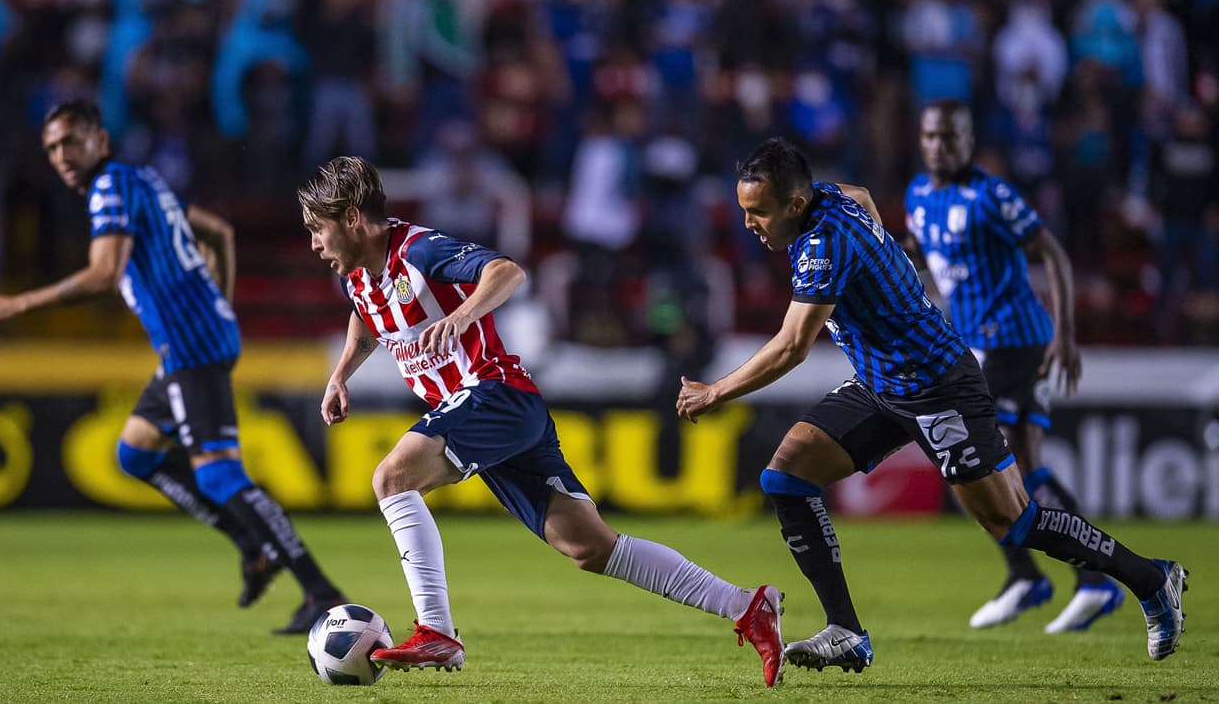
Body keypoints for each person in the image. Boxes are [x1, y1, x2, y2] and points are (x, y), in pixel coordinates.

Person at [676, 138, 1187, 672]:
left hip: (939, 387)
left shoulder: (823, 243)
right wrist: (890, 269)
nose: (750, 224)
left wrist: (715, 392)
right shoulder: (828, 197)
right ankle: (847, 630)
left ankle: (1153, 580)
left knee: (1013, 522)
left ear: (795, 205)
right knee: (786, 477)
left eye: (757, 212)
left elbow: (791, 347)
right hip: (882, 384)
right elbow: (864, 194)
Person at [297, 156, 785, 686]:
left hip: (493, 393)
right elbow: (367, 319)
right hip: (490, 415)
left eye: (317, 229)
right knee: (590, 546)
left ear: (349, 217)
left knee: (391, 478)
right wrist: (341, 374)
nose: (315, 244)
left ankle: (436, 629)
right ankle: (747, 605)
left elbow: (507, 271)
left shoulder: (418, 249)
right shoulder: (359, 280)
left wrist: (462, 316)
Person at [0, 98, 346, 634]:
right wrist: (220, 305)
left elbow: (105, 273)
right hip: (192, 342)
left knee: (219, 476)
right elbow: (219, 232)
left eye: (72, 141)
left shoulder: (109, 188)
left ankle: (321, 592)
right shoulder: (143, 181)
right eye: (52, 147)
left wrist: (18, 303)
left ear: (100, 140)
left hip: (192, 348)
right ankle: (252, 547)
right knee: (135, 452)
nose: (61, 155)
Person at [903, 99, 1123, 633]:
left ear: (969, 142)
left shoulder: (991, 195)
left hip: (1017, 344)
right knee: (1023, 466)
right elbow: (923, 253)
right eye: (932, 136)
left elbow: (1055, 255)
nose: (940, 146)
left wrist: (1066, 335)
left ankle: (1029, 576)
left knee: (961, 455)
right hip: (977, 345)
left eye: (951, 138)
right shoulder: (918, 195)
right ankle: (1091, 580)